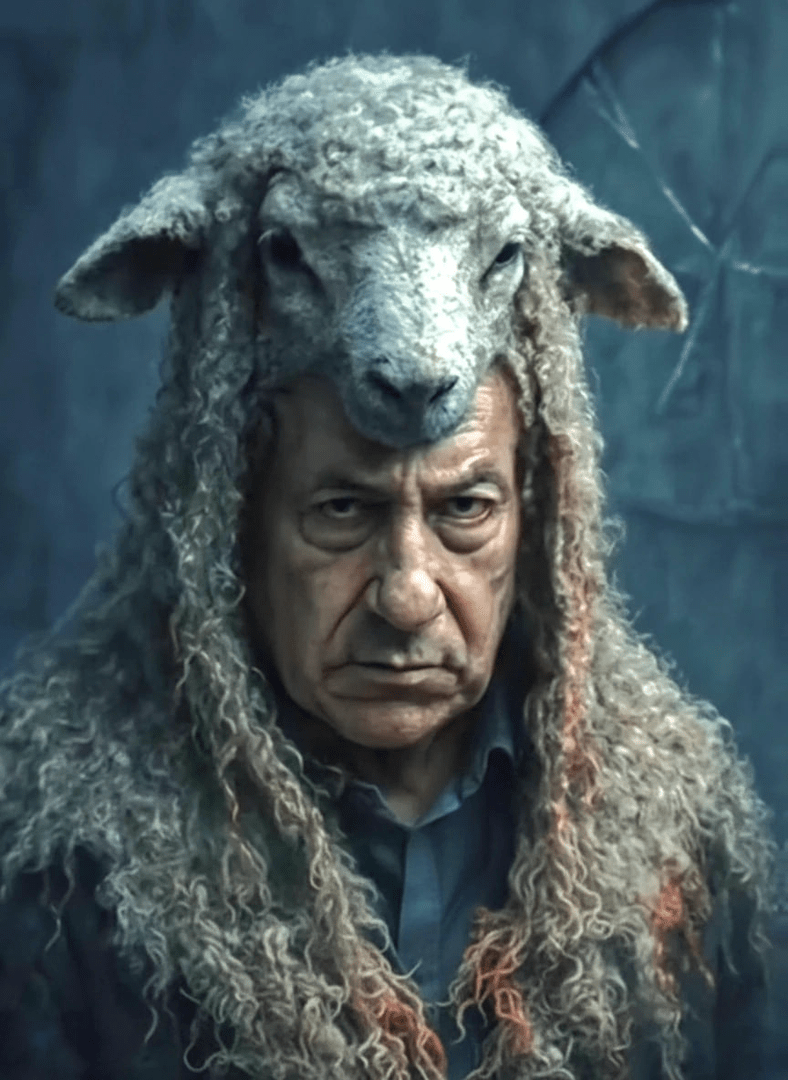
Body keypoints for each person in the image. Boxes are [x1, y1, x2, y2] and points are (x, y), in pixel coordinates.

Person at [0, 54, 777, 1080]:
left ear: (538, 518)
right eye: (340, 511)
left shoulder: (678, 837)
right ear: (227, 522)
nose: (408, 596)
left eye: (465, 511)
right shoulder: (51, 860)